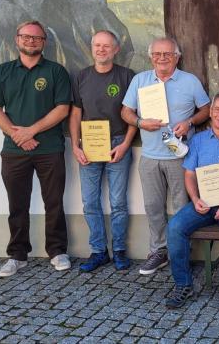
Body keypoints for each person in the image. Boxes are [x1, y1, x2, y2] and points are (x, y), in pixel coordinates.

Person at [0, 20, 72, 277]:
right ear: (17, 39)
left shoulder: (56, 72)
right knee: (17, 204)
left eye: (36, 38)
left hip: (50, 149)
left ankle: (57, 251)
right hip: (14, 151)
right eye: (26, 37)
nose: (31, 41)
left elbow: (62, 109)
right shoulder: (2, 72)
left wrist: (31, 131)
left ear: (44, 42)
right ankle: (17, 255)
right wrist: (18, 135)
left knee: (54, 202)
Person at [121, 37, 210, 275]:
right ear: (151, 57)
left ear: (177, 57)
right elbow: (126, 111)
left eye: (167, 54)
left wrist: (189, 122)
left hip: (180, 156)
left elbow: (206, 109)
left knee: (182, 207)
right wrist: (140, 122)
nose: (162, 58)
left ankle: (181, 254)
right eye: (158, 54)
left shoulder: (190, 81)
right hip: (150, 156)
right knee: (153, 207)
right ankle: (158, 252)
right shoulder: (140, 80)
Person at [165, 93, 219, 311]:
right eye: (217, 110)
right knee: (175, 226)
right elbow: (189, 175)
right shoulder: (197, 141)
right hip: (203, 203)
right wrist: (195, 199)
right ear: (211, 112)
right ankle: (183, 284)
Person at [69, 30, 137, 272]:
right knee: (90, 202)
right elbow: (76, 112)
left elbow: (133, 114)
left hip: (118, 143)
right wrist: (75, 146)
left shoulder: (127, 76)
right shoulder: (81, 77)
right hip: (89, 144)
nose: (101, 50)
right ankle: (98, 251)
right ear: (91, 48)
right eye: (97, 45)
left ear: (116, 49)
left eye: (106, 46)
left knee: (118, 201)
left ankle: (119, 250)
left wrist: (126, 144)